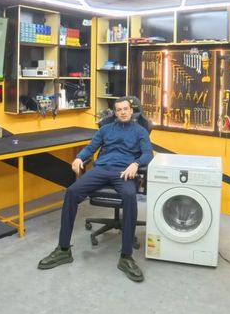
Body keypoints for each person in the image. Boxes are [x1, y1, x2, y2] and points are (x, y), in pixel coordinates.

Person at [38, 97, 153, 282]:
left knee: (130, 196)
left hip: (124, 172)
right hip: (101, 170)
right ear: (115, 113)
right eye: (119, 110)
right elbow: (90, 148)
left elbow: (148, 153)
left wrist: (136, 164)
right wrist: (79, 158)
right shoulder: (105, 130)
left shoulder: (140, 131)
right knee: (72, 192)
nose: (123, 112)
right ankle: (63, 249)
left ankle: (126, 256)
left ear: (132, 111)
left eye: (126, 109)